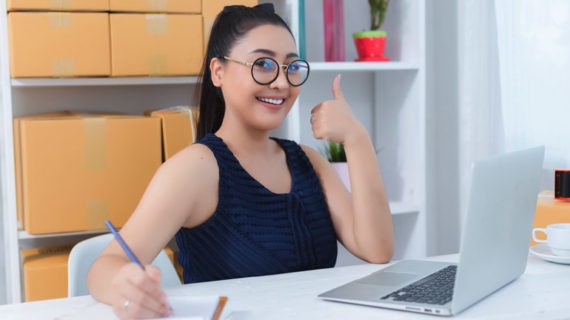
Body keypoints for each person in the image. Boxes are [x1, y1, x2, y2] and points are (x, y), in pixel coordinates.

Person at [87, 4, 393, 319]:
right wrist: (125, 289)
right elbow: (105, 266)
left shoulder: (308, 161)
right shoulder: (196, 169)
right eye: (262, 64)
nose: (281, 83)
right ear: (218, 72)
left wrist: (357, 139)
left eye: (291, 67)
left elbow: (377, 249)